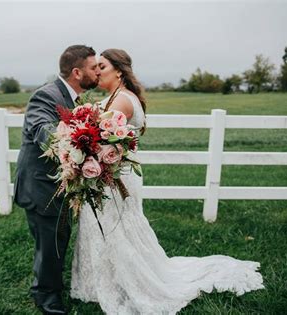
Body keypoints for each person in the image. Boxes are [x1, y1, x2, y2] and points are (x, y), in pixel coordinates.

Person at [70, 48, 264, 314]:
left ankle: (129, 282)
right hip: (111, 173)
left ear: (118, 70)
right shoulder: (115, 96)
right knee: (112, 227)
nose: (97, 71)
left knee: (117, 229)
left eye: (102, 66)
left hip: (117, 177)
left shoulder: (123, 100)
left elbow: (96, 135)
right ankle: (108, 281)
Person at [13, 45, 100, 315]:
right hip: (42, 186)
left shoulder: (73, 98)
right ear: (77, 72)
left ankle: (50, 287)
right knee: (50, 245)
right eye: (93, 67)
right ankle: (46, 298)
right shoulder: (46, 95)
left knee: (57, 240)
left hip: (58, 186)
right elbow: (43, 129)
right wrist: (77, 145)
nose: (98, 71)